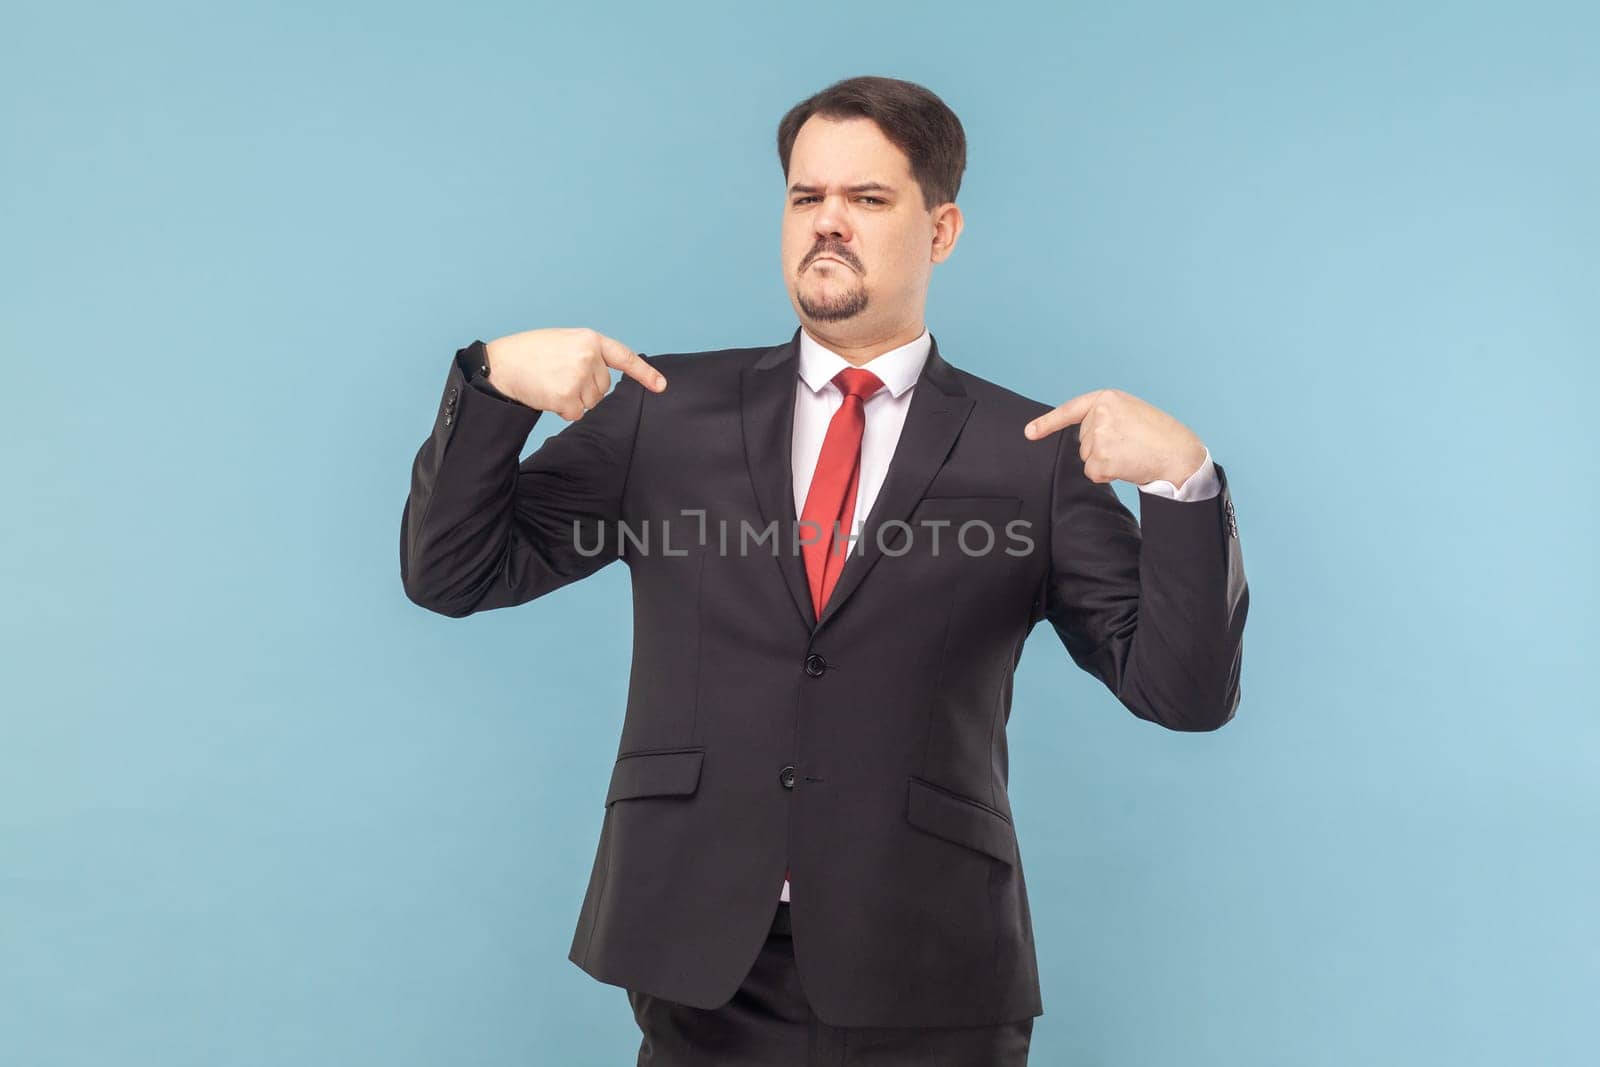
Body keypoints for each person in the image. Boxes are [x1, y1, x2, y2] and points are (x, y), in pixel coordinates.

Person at [400, 74, 1248, 1066]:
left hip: (932, 960)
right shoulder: (662, 414)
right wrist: (494, 383)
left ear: (941, 230)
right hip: (699, 947)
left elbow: (1182, 693)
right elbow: (453, 571)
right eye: (807, 198)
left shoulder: (1033, 453)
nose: (828, 224)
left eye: (868, 199)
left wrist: (1183, 484)